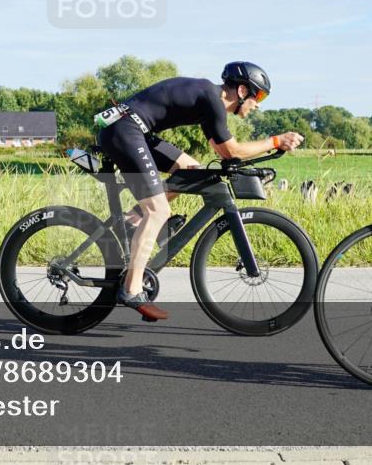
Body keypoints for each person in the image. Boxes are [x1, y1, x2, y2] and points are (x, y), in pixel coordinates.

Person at [96, 62, 305, 321]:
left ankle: (131, 221)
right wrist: (275, 141)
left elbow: (223, 151)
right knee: (159, 211)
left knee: (190, 170)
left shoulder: (209, 101)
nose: (258, 105)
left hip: (131, 127)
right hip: (125, 130)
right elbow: (232, 150)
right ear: (242, 91)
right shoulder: (212, 99)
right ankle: (132, 289)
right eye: (259, 96)